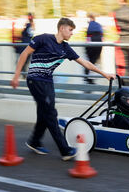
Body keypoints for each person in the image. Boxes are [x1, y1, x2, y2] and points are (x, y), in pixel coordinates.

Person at [11, 17, 114, 160]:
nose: (72, 33)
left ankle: (34, 141)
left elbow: (85, 63)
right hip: (35, 80)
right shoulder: (42, 39)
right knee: (51, 113)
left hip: (48, 82)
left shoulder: (65, 48)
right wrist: (16, 76)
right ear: (62, 28)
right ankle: (65, 150)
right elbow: (24, 53)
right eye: (70, 30)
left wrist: (104, 74)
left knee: (45, 112)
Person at [84, 13, 103, 84]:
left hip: (91, 43)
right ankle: (91, 77)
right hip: (99, 44)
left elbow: (88, 38)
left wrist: (87, 47)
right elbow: (102, 37)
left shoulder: (89, 25)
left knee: (89, 60)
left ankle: (87, 77)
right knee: (94, 61)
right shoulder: (99, 25)